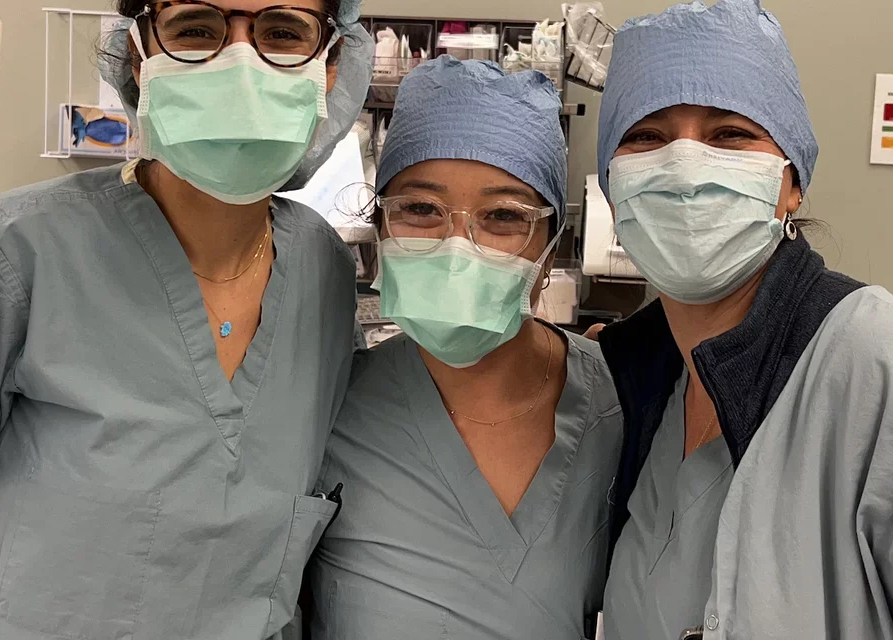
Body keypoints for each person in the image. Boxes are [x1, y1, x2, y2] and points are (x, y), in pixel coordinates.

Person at [0, 1, 373, 638]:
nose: (240, 61)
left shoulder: (322, 270)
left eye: (283, 33)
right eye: (196, 28)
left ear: (332, 66)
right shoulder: (14, 248)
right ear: (137, 54)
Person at [593, 1, 893, 638]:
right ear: (614, 189)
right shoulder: (636, 384)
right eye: (646, 136)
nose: (683, 164)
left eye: (730, 134)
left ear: (791, 184)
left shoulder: (870, 354)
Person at [309, 56, 623, 640]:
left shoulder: (620, 406)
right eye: (421, 209)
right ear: (380, 226)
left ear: (551, 249)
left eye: (503, 216)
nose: (459, 246)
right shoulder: (332, 405)